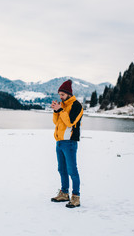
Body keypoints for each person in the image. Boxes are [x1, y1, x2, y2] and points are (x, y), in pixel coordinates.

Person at [50, 80, 83, 208]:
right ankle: (64, 193)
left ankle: (76, 197)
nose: (60, 97)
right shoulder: (62, 105)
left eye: (62, 95)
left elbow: (70, 122)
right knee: (61, 169)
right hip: (59, 142)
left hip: (69, 142)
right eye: (59, 95)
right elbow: (56, 122)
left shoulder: (76, 106)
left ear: (69, 94)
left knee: (72, 171)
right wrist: (56, 111)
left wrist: (61, 110)